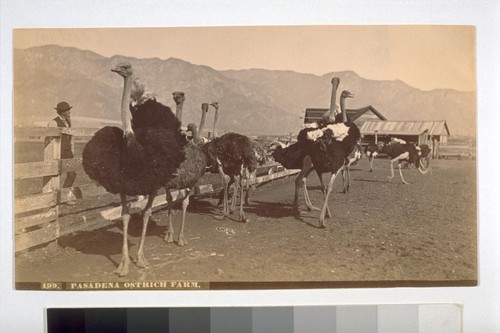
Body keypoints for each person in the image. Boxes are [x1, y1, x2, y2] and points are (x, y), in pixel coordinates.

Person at [48, 101, 77, 205]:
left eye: (69, 109)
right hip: (58, 152)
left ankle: (64, 197)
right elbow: (50, 139)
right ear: (61, 112)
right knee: (57, 175)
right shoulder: (53, 123)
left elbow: (71, 137)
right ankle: (54, 198)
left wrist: (72, 150)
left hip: (68, 152)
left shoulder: (68, 122)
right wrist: (52, 154)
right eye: (67, 110)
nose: (69, 112)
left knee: (72, 174)